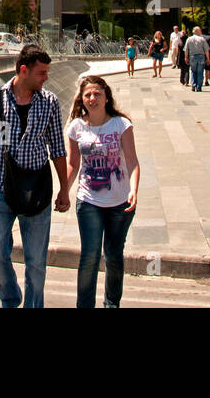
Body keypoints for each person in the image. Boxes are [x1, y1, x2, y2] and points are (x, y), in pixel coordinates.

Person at [0, 45, 71, 308]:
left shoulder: (48, 102)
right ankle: (11, 298)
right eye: (41, 72)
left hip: (38, 190)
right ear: (23, 70)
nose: (46, 77)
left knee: (36, 262)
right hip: (3, 187)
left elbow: (57, 149)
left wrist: (63, 189)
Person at [65, 75, 139, 308]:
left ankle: (111, 304)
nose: (92, 98)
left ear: (106, 97)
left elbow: (132, 161)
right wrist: (63, 191)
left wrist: (133, 189)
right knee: (89, 256)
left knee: (114, 256)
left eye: (97, 93)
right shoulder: (76, 127)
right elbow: (73, 164)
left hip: (120, 202)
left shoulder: (121, 125)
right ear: (82, 99)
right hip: (88, 200)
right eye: (88, 94)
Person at [185, 26, 208, 92]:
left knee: (193, 71)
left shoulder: (189, 39)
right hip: (201, 56)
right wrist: (208, 58)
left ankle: (193, 85)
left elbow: (186, 50)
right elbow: (206, 50)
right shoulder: (202, 39)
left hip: (192, 56)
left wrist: (186, 57)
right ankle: (199, 87)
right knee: (200, 72)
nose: (201, 32)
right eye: (200, 30)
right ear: (198, 31)